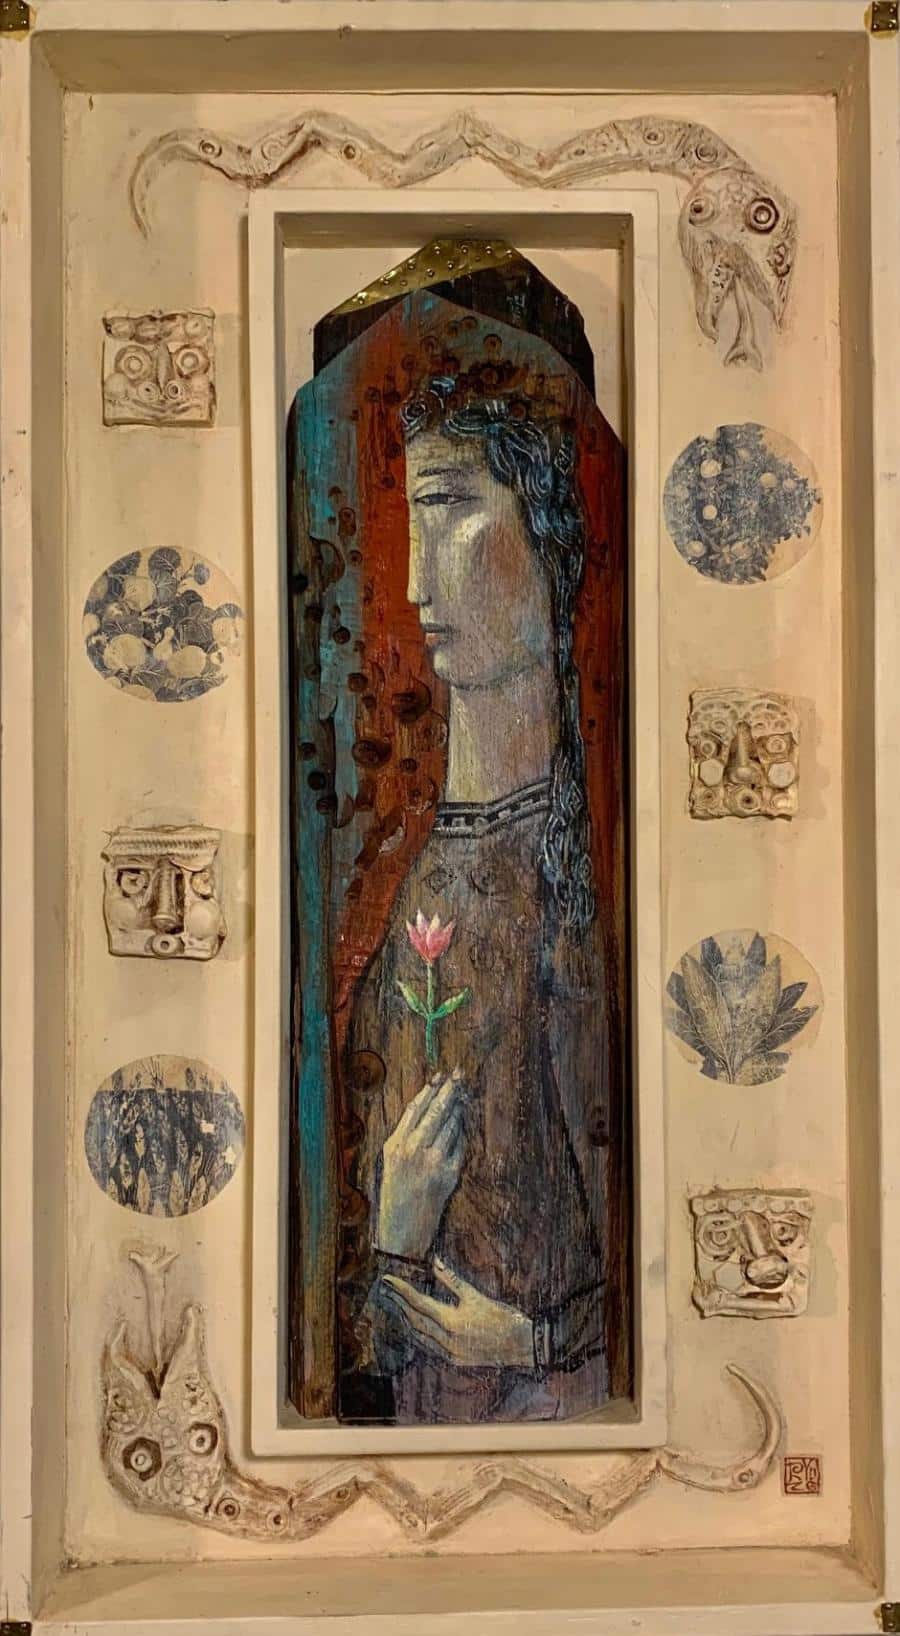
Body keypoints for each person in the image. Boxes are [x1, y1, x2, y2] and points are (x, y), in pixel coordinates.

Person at [337, 377, 613, 1426]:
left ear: (548, 534)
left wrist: (541, 1339)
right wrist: (394, 1247)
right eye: (412, 520)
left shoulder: (580, 876)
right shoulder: (407, 883)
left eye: (450, 509)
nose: (416, 584)